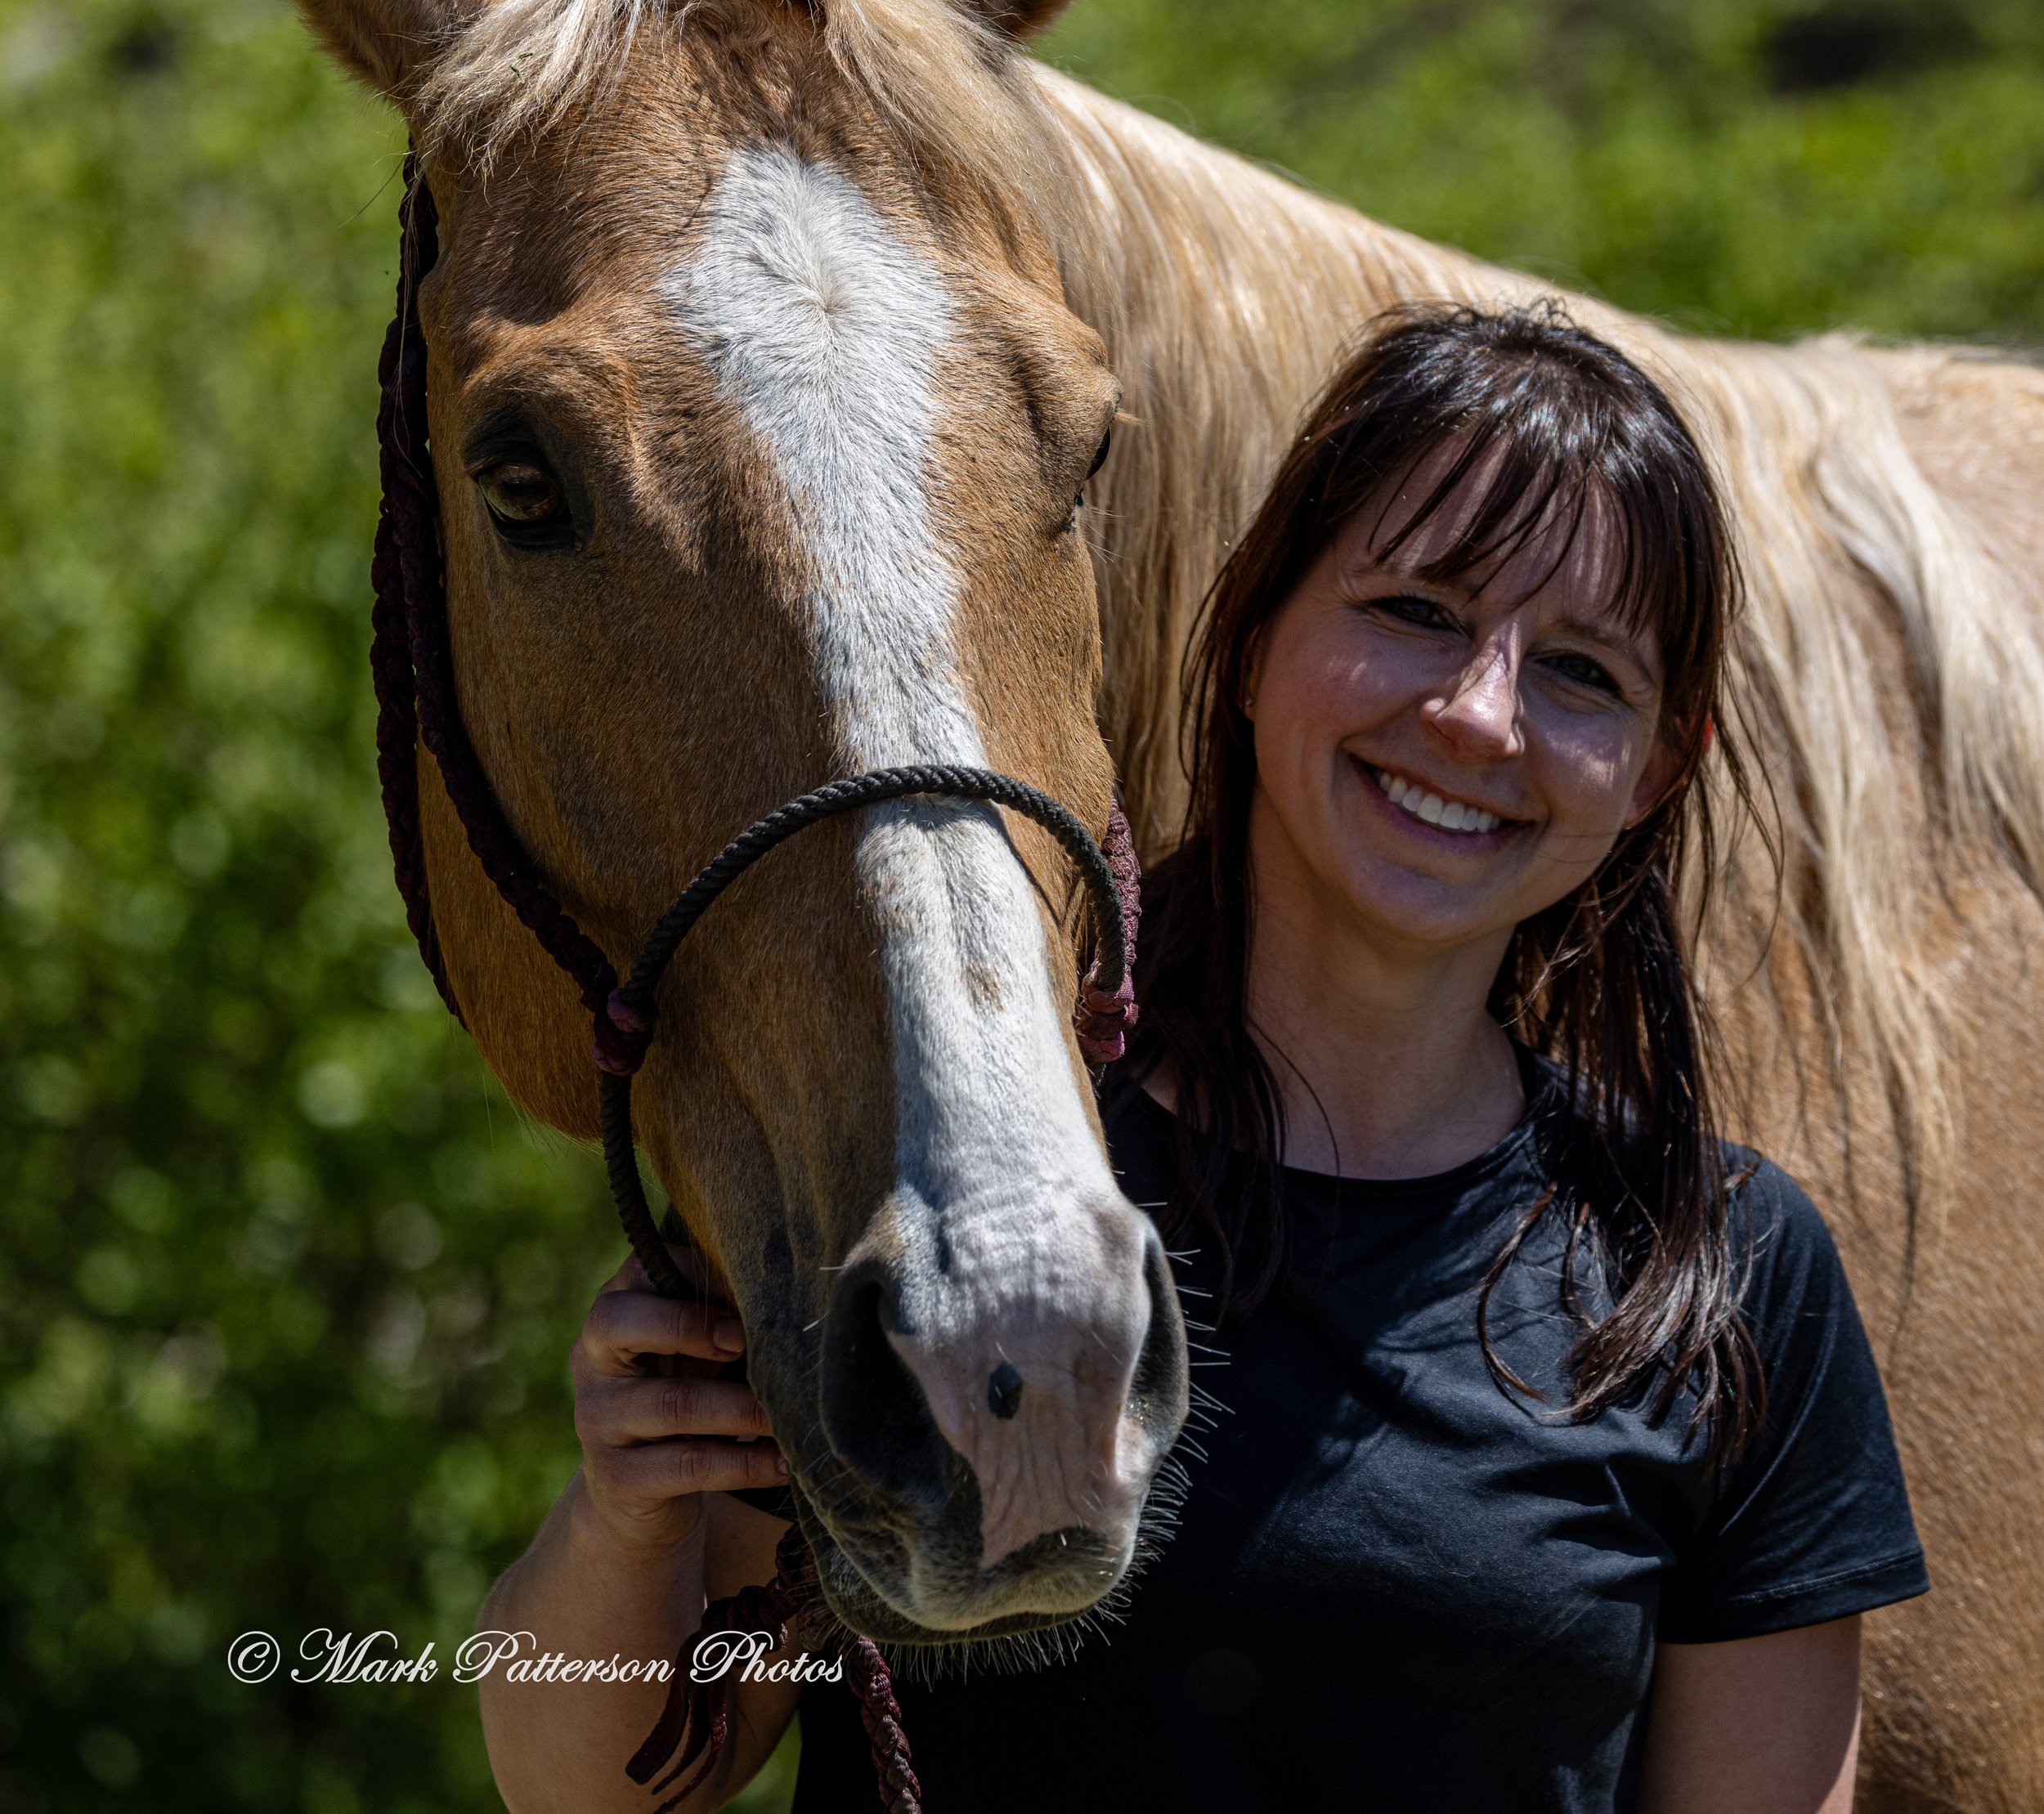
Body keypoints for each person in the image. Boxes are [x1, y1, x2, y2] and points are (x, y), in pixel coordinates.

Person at [476, 302, 1926, 1814]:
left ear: (1652, 774)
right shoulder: (966, 1161)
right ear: (1249, 638)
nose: (1481, 716)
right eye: (1418, 612)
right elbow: (588, 1790)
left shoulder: (1729, 1274)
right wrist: (624, 1520)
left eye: (1582, 675)